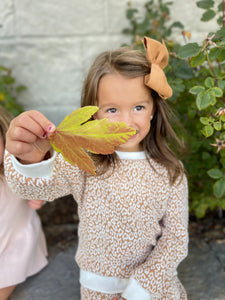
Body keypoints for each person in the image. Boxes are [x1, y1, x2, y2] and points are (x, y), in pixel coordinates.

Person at [4, 36, 189, 300]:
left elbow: (175, 239)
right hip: (99, 288)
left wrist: (138, 291)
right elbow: (33, 186)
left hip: (154, 290)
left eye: (138, 107)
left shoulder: (170, 171)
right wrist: (30, 160)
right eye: (112, 109)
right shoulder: (83, 161)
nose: (126, 122)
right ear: (94, 114)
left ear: (153, 110)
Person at [0, 106, 48, 300]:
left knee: (6, 276)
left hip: (14, 243)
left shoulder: (14, 167)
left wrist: (38, 197)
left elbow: (38, 181)